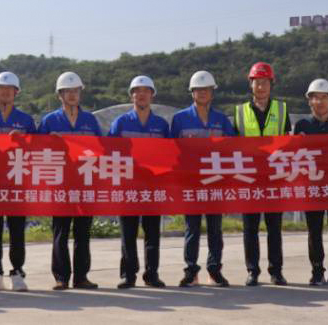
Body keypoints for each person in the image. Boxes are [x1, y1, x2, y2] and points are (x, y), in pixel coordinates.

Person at [170, 70, 235, 287]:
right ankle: (191, 271)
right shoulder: (180, 119)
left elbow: (233, 147)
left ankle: (214, 270)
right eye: (198, 89)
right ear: (192, 92)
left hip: (216, 181)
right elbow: (170, 151)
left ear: (212, 92)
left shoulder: (221, 119)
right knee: (192, 229)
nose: (202, 93)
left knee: (215, 229)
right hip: (191, 183)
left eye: (206, 89)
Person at [39, 71, 102, 290]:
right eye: (67, 91)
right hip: (60, 183)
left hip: (85, 183)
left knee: (83, 232)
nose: (72, 95)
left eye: (75, 90)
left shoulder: (90, 120)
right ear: (60, 95)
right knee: (61, 232)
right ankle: (61, 277)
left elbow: (101, 148)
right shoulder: (50, 121)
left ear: (80, 93)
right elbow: (38, 149)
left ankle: (81, 276)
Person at [0, 71, 36, 292]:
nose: (5, 92)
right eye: (1, 88)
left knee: (17, 230)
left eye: (10, 89)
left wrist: (24, 141)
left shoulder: (26, 121)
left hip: (17, 182)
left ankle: (17, 273)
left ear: (16, 93)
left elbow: (37, 149)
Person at [109, 75, 170, 288]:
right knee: (128, 234)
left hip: (153, 187)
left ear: (152, 95)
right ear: (131, 96)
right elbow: (110, 152)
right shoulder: (120, 123)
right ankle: (128, 275)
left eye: (146, 91)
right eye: (137, 91)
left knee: (152, 233)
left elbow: (170, 155)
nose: (141, 95)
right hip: (128, 186)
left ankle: (151, 274)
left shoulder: (161, 125)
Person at [234, 61, 290, 286]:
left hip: (274, 178)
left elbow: (288, 141)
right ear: (251, 84)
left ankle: (276, 271)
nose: (261, 87)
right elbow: (231, 145)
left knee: (274, 227)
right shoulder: (239, 112)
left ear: (271, 84)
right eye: (257, 82)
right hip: (249, 178)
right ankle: (252, 271)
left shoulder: (282, 109)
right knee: (250, 228)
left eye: (265, 82)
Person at [295, 78, 328, 286]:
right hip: (312, 185)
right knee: (314, 230)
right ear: (310, 101)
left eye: (324, 97)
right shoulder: (302, 126)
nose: (320, 102)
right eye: (315, 98)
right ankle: (317, 270)